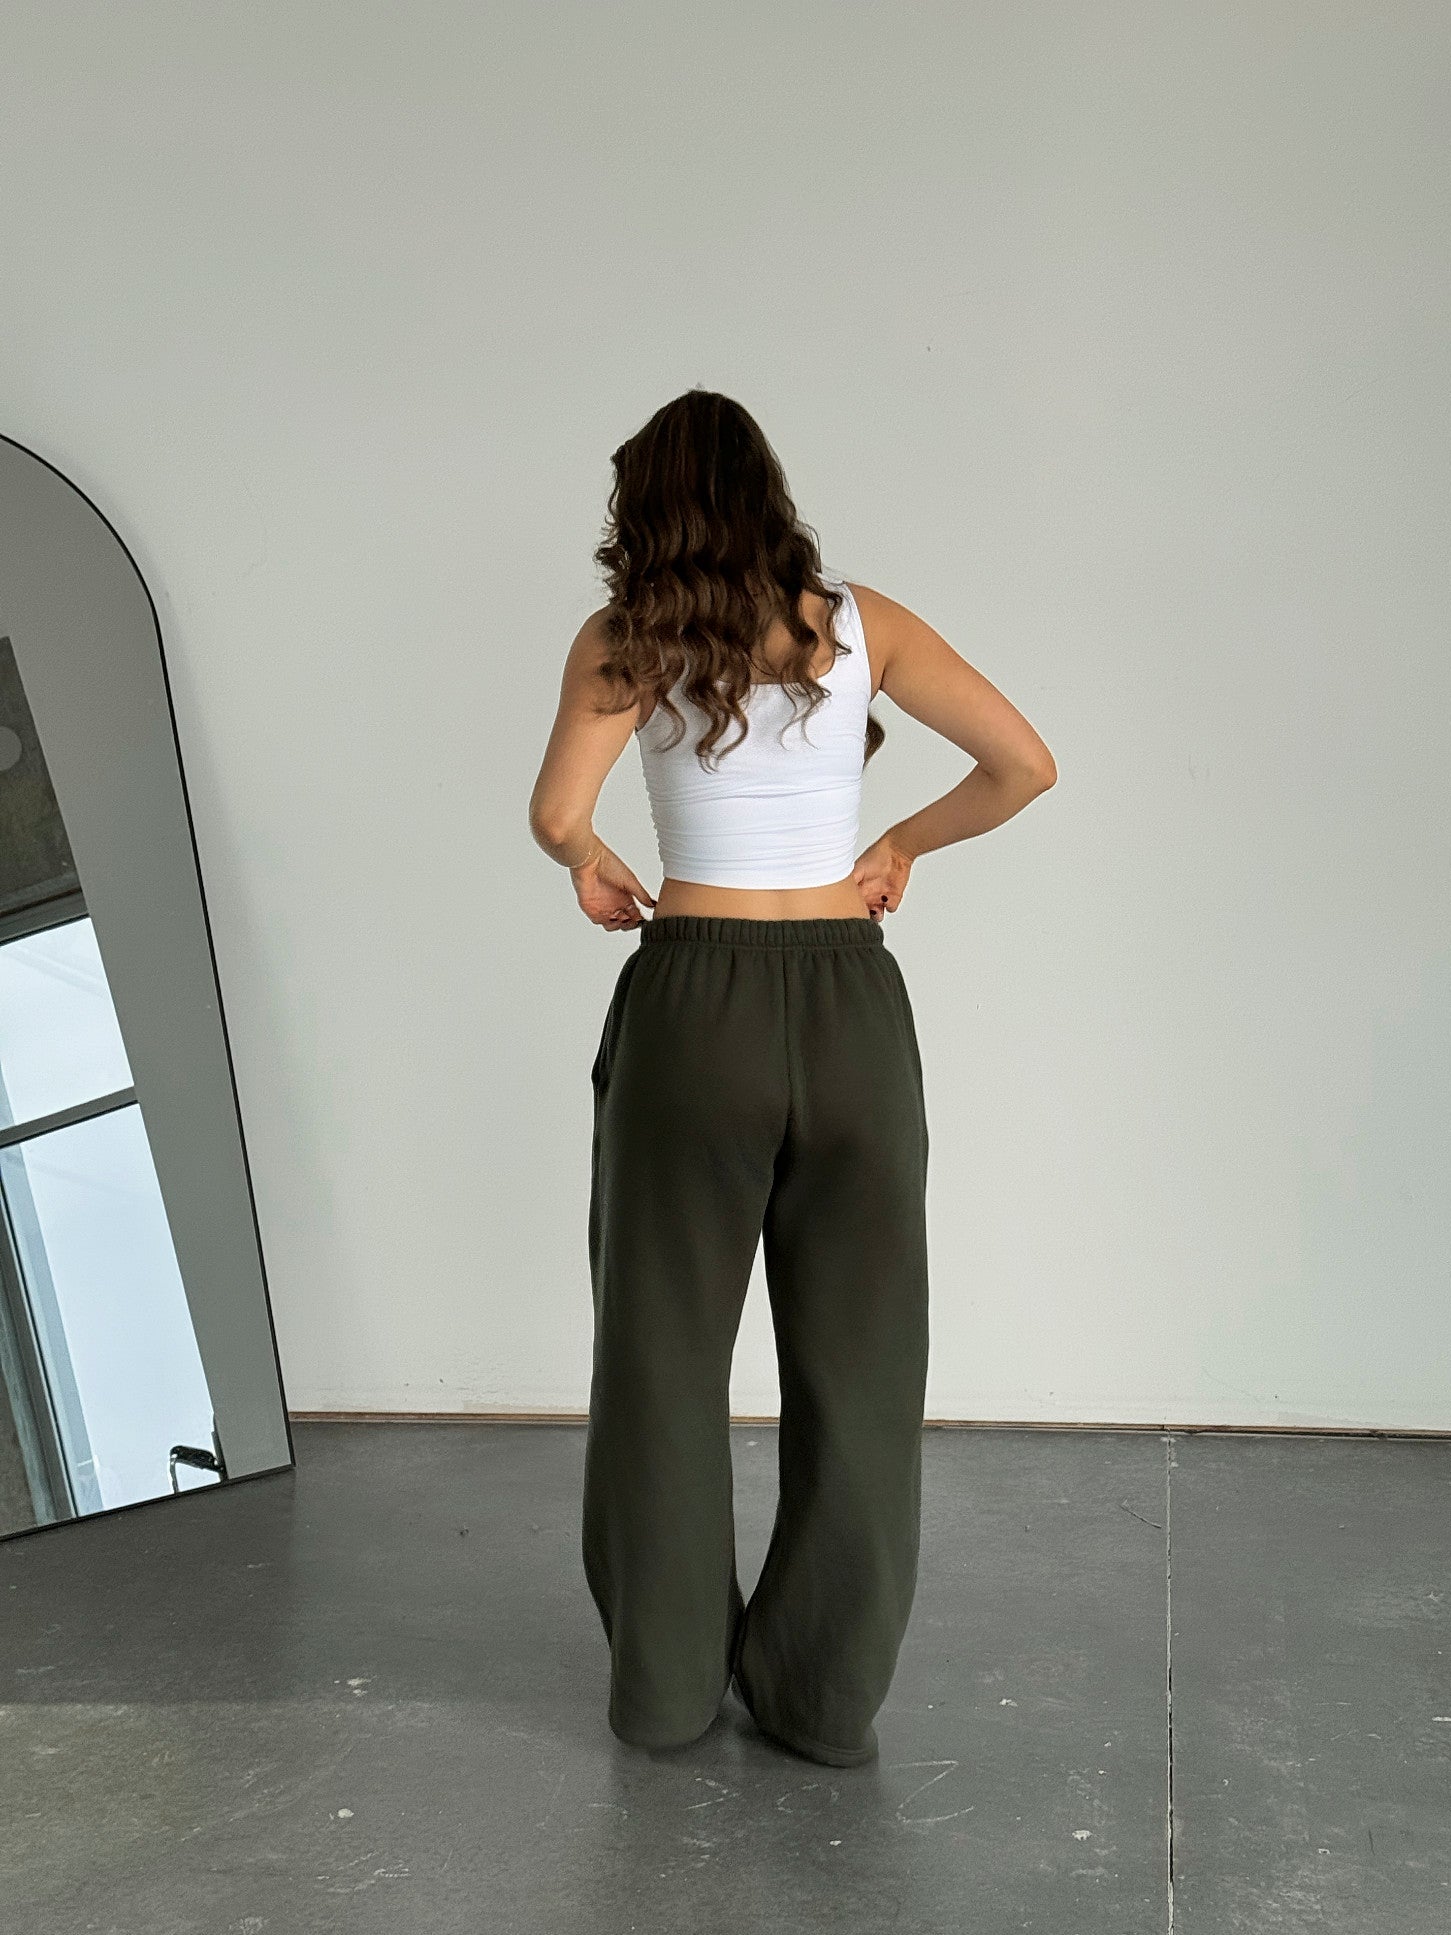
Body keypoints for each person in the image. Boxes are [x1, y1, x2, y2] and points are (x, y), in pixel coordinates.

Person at [529, 389, 1056, 1768]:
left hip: (691, 1000)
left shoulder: (627, 641)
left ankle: (665, 1687)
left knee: (661, 1358)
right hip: (848, 1004)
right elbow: (1025, 764)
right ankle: (820, 1696)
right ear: (769, 492)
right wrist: (905, 847)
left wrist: (592, 868)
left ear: (642, 510)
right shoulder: (860, 625)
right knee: (863, 1369)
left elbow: (555, 814)